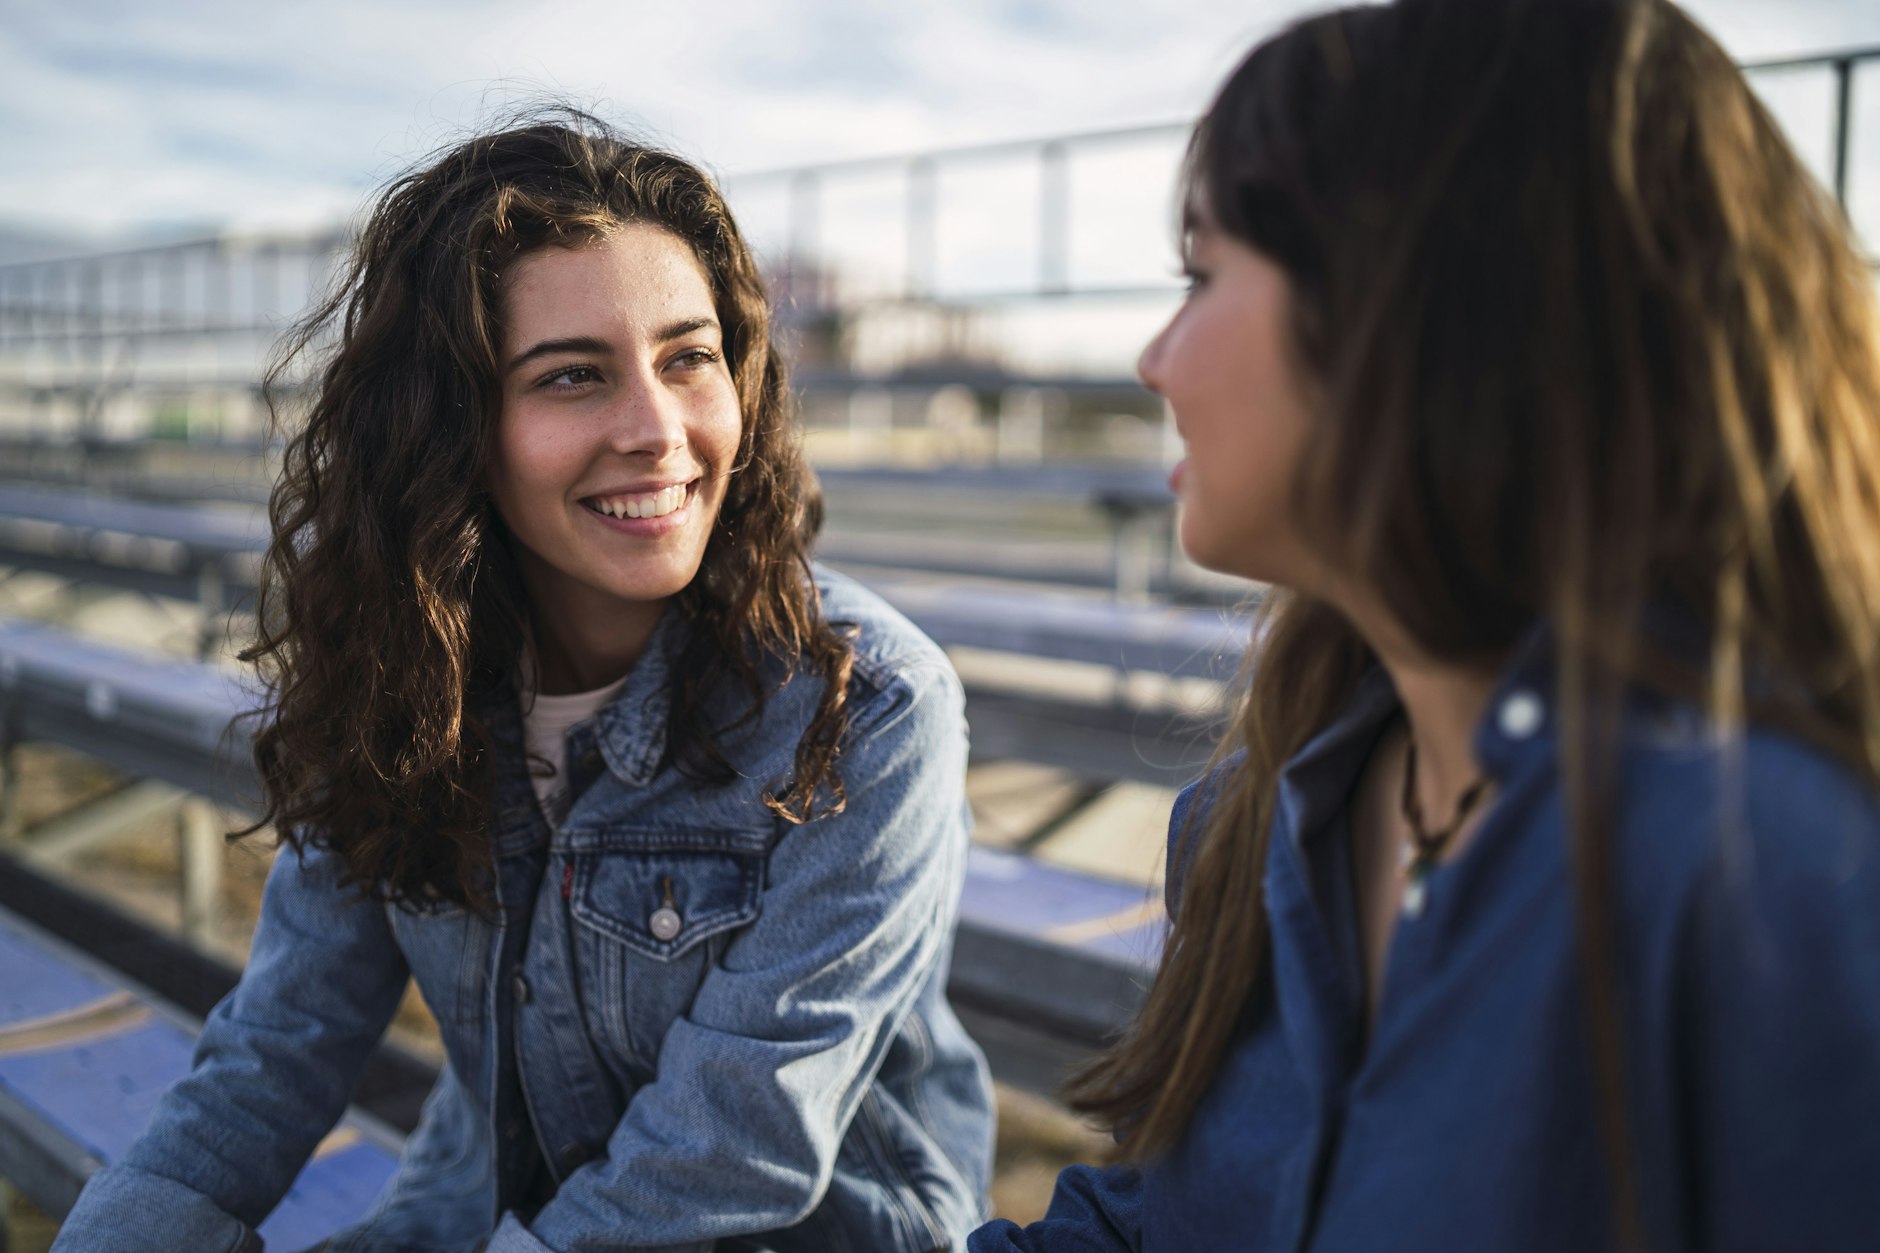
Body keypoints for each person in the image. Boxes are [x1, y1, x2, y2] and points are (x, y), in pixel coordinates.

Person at [972, 0, 1880, 1249]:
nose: (1153, 358)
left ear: (1416, 309)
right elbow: (1152, 1227)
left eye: (1202, 274)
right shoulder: (1259, 820)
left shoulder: (1767, 874)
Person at [53, 111, 994, 1253]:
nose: (655, 429)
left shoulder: (867, 705)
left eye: (688, 357)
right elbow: (280, 1041)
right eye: (571, 377)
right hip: (484, 1209)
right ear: (455, 426)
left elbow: (738, 1139)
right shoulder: (402, 671)